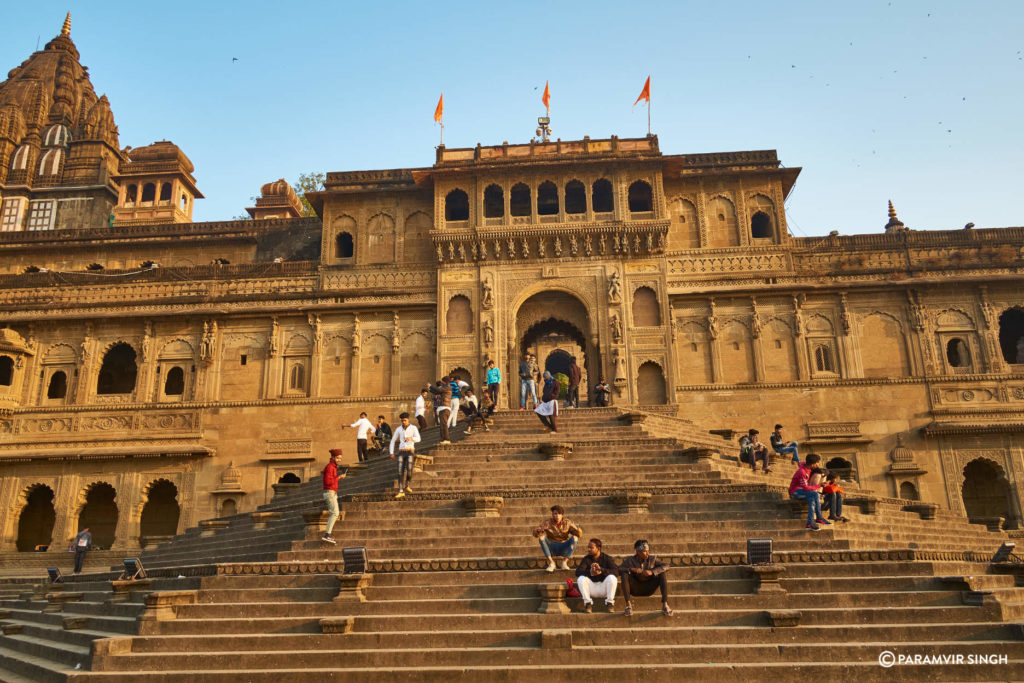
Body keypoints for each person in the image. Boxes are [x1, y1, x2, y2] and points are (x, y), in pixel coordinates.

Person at [619, 539, 673, 617]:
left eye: (648, 551)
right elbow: (618, 569)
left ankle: (665, 605)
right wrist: (631, 569)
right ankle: (628, 606)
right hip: (635, 589)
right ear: (638, 552)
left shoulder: (652, 559)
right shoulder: (630, 560)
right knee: (624, 574)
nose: (647, 553)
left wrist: (652, 572)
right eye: (644, 551)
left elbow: (667, 566)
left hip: (649, 588)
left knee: (662, 573)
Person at [532, 504, 582, 572]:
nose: (557, 516)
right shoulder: (547, 522)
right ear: (552, 514)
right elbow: (535, 534)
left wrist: (577, 529)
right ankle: (551, 563)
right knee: (542, 538)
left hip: (564, 546)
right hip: (552, 547)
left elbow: (579, 535)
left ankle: (564, 562)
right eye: (555, 514)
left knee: (575, 538)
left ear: (562, 515)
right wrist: (539, 530)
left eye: (559, 514)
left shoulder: (567, 522)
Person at [575, 538, 619, 613]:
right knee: (581, 579)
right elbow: (578, 572)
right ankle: (588, 604)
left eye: (591, 547)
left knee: (612, 578)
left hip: (604, 588)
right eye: (588, 547)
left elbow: (616, 572)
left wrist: (601, 570)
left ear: (598, 548)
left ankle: (610, 603)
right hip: (591, 589)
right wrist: (590, 572)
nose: (588, 549)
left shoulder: (606, 558)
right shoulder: (586, 559)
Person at [790, 453, 828, 531]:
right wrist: (819, 485)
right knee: (814, 493)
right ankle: (819, 517)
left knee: (812, 500)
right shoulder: (802, 472)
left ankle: (809, 523)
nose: (819, 464)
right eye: (817, 462)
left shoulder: (808, 467)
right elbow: (806, 488)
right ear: (812, 464)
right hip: (795, 492)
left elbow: (802, 463)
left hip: (802, 491)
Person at [390, 412, 421, 499]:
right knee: (400, 471)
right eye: (402, 421)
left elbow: (419, 439)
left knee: (409, 470)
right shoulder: (398, 429)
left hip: (410, 451)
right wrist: (391, 452)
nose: (403, 422)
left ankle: (407, 484)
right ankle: (400, 491)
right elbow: (392, 441)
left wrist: (411, 438)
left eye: (405, 420)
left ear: (408, 420)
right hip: (401, 452)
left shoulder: (413, 428)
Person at [321, 448, 346, 544]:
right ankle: (327, 535)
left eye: (340, 458)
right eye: (338, 458)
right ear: (333, 457)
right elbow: (328, 481)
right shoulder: (330, 467)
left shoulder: (333, 467)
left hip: (332, 493)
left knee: (335, 513)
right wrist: (339, 477)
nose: (339, 460)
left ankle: (327, 535)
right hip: (329, 493)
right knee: (335, 513)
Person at [427, 379, 452, 444]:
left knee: (444, 424)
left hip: (445, 407)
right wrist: (429, 388)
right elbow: (436, 392)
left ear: (445, 381)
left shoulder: (447, 387)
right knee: (441, 424)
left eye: (442, 381)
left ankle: (447, 439)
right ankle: (443, 439)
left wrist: (430, 386)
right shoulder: (445, 388)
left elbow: (438, 390)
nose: (441, 383)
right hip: (442, 408)